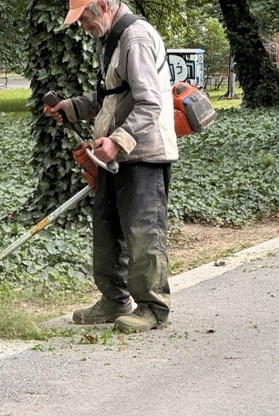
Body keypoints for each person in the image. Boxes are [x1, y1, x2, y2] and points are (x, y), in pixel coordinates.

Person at [44, 0, 177, 332]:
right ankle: (114, 299)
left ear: (103, 4)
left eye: (86, 17)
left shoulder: (136, 38)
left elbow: (150, 103)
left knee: (143, 231)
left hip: (143, 153)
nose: (83, 26)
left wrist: (118, 140)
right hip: (114, 156)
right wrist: (71, 108)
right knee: (106, 229)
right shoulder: (111, 40)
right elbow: (110, 99)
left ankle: (152, 307)